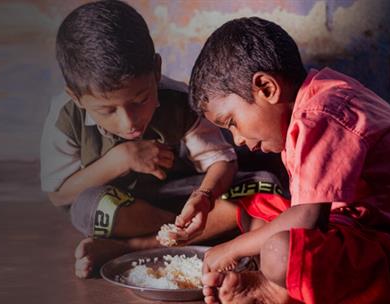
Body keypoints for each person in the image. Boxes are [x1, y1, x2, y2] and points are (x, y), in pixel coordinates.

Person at [174, 16, 390, 303]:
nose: (237, 140)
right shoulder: (309, 106)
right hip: (356, 230)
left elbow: (308, 218)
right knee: (255, 209)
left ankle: (275, 289)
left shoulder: (322, 113)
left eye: (232, 122)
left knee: (278, 252)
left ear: (267, 88)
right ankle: (284, 281)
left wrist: (233, 248)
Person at [41, 1, 282, 279]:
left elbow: (222, 162)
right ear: (76, 97)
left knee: (265, 185)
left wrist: (202, 199)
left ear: (156, 70)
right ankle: (193, 234)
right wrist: (122, 159)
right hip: (130, 207)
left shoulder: (180, 102)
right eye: (107, 110)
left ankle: (131, 247)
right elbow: (59, 193)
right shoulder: (65, 117)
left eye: (141, 100)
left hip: (184, 198)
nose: (128, 122)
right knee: (87, 208)